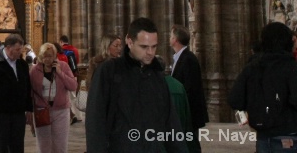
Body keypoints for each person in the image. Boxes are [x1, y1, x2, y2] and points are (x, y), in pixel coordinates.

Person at [85, 17, 186, 152]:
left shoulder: (157, 77)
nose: (150, 52)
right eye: (144, 46)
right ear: (129, 41)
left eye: (154, 46)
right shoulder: (108, 72)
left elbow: (171, 124)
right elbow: (95, 122)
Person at [229, 21, 297, 152]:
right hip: (289, 135)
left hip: (263, 137)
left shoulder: (252, 67)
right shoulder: (292, 67)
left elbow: (234, 99)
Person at [0, 34, 32, 153]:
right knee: (0, 145)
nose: (20, 53)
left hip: (18, 112)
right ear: (8, 47)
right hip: (0, 112)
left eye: (21, 49)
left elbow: (27, 87)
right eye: (17, 50)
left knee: (17, 145)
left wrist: (29, 108)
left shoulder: (22, 64)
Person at [29, 42, 77, 153]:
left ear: (55, 56)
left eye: (50, 56)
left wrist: (60, 73)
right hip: (41, 110)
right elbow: (31, 92)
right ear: (40, 57)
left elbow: (73, 86)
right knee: (43, 144)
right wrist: (31, 113)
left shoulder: (63, 66)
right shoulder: (34, 70)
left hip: (61, 110)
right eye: (44, 56)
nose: (47, 59)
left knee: (60, 144)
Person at [170, 24, 208, 150]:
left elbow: (190, 88)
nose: (169, 38)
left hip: (189, 112)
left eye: (171, 36)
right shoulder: (180, 57)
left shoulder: (188, 59)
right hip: (185, 111)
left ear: (175, 39)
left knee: (190, 145)